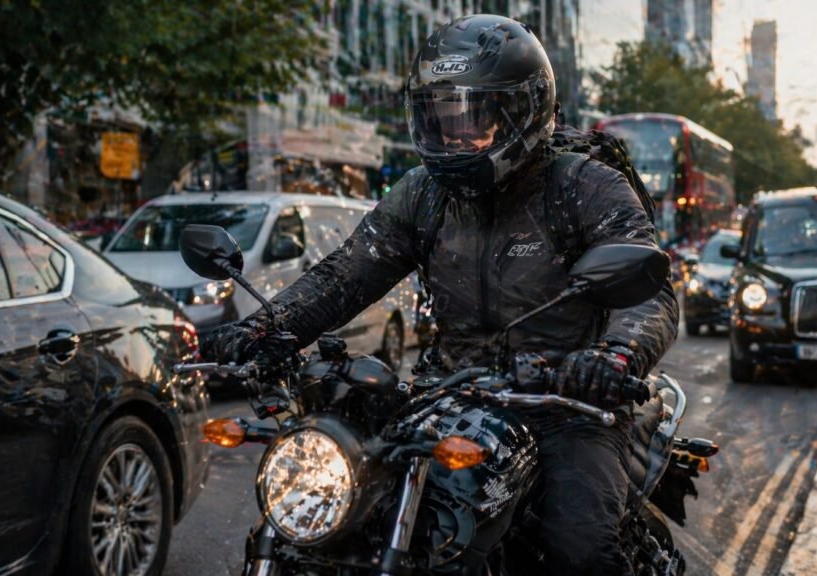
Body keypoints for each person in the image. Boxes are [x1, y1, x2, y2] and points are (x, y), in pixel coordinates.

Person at [204, 14, 678, 575]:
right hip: (446, 392)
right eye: (439, 117)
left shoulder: (583, 187)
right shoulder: (423, 195)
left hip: (566, 403)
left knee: (582, 549)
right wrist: (264, 328)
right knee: (341, 514)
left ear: (522, 112)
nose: (453, 136)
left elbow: (652, 294)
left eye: (472, 119)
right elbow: (346, 274)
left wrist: (611, 358)